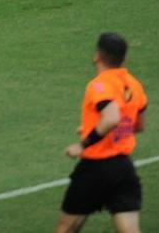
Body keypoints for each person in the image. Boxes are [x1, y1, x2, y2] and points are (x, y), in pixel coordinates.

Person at [57, 32, 148, 233]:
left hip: (95, 169)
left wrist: (83, 144)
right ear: (123, 59)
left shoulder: (99, 85)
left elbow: (111, 118)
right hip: (123, 169)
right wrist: (95, 127)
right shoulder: (133, 85)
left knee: (65, 230)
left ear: (97, 55)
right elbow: (138, 125)